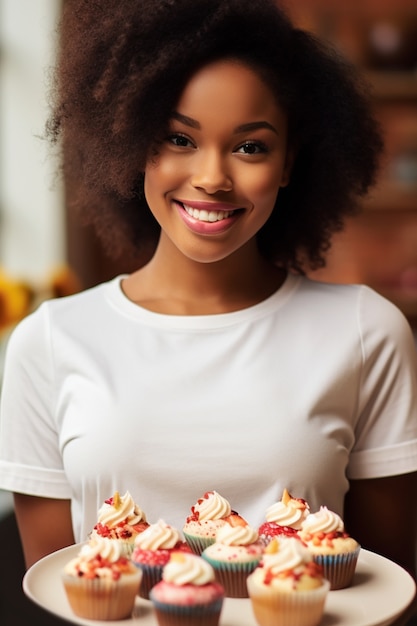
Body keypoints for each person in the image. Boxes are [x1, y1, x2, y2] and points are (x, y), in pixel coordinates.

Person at [0, 1, 416, 620]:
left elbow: (379, 584)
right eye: (178, 138)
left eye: (250, 146)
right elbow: (64, 593)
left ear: (289, 162)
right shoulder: (51, 340)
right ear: (131, 137)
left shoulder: (366, 331)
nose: (212, 177)